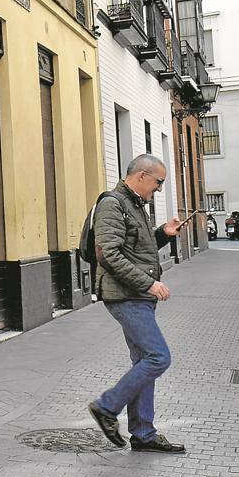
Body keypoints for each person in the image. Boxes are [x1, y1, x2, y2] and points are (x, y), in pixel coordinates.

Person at [87, 154, 188, 454]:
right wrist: (148, 283)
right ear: (142, 175)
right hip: (125, 295)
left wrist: (163, 234)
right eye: (158, 182)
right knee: (158, 357)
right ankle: (107, 407)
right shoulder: (113, 204)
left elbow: (136, 250)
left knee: (145, 361)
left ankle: (143, 433)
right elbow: (109, 254)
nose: (159, 189)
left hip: (135, 295)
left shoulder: (135, 206)